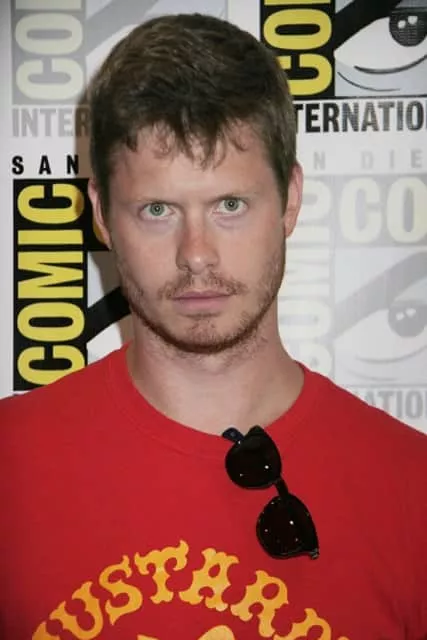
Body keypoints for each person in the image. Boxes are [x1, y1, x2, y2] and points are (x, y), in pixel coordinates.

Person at [1, 12, 426, 640]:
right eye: (157, 209)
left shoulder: (411, 488)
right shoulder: (10, 465)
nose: (196, 254)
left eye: (230, 205)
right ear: (102, 214)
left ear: (290, 200)